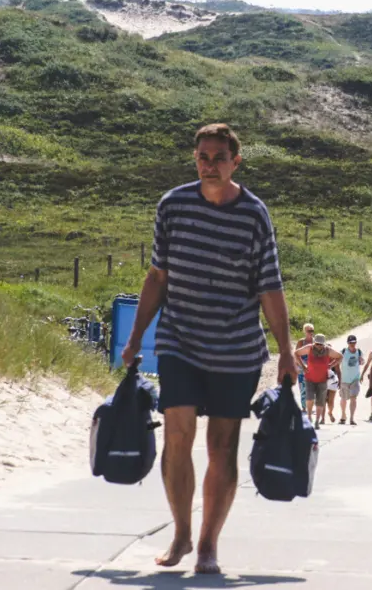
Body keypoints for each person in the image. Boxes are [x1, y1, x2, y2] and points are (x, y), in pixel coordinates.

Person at [120, 123, 298, 575]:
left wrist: (287, 351)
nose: (209, 165)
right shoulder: (173, 205)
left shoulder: (254, 214)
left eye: (219, 157)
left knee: (222, 446)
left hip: (236, 348)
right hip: (179, 339)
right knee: (177, 435)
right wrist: (136, 336)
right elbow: (157, 276)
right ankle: (180, 532)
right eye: (203, 156)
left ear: (236, 161)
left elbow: (270, 288)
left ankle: (207, 545)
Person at [294, 334, 342, 429]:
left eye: (320, 344)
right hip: (310, 378)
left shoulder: (328, 350)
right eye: (317, 343)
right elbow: (296, 353)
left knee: (320, 401)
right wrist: (303, 366)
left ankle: (317, 421)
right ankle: (309, 416)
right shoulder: (309, 348)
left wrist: (331, 365)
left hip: (322, 379)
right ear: (314, 342)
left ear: (323, 344)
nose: (318, 345)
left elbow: (340, 356)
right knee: (309, 398)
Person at [337, 335, 363, 425]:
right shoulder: (343, 352)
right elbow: (337, 362)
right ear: (348, 343)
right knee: (343, 399)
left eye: (354, 342)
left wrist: (361, 360)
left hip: (355, 379)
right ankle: (343, 415)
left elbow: (362, 362)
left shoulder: (359, 352)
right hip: (344, 379)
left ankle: (352, 418)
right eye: (351, 343)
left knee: (353, 398)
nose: (353, 344)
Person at [294, 323, 315, 410]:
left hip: (314, 368)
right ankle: (304, 407)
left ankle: (310, 406)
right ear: (304, 331)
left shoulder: (316, 342)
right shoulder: (301, 342)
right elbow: (296, 355)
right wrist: (302, 366)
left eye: (312, 330)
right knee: (303, 388)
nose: (311, 332)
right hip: (302, 367)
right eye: (309, 330)